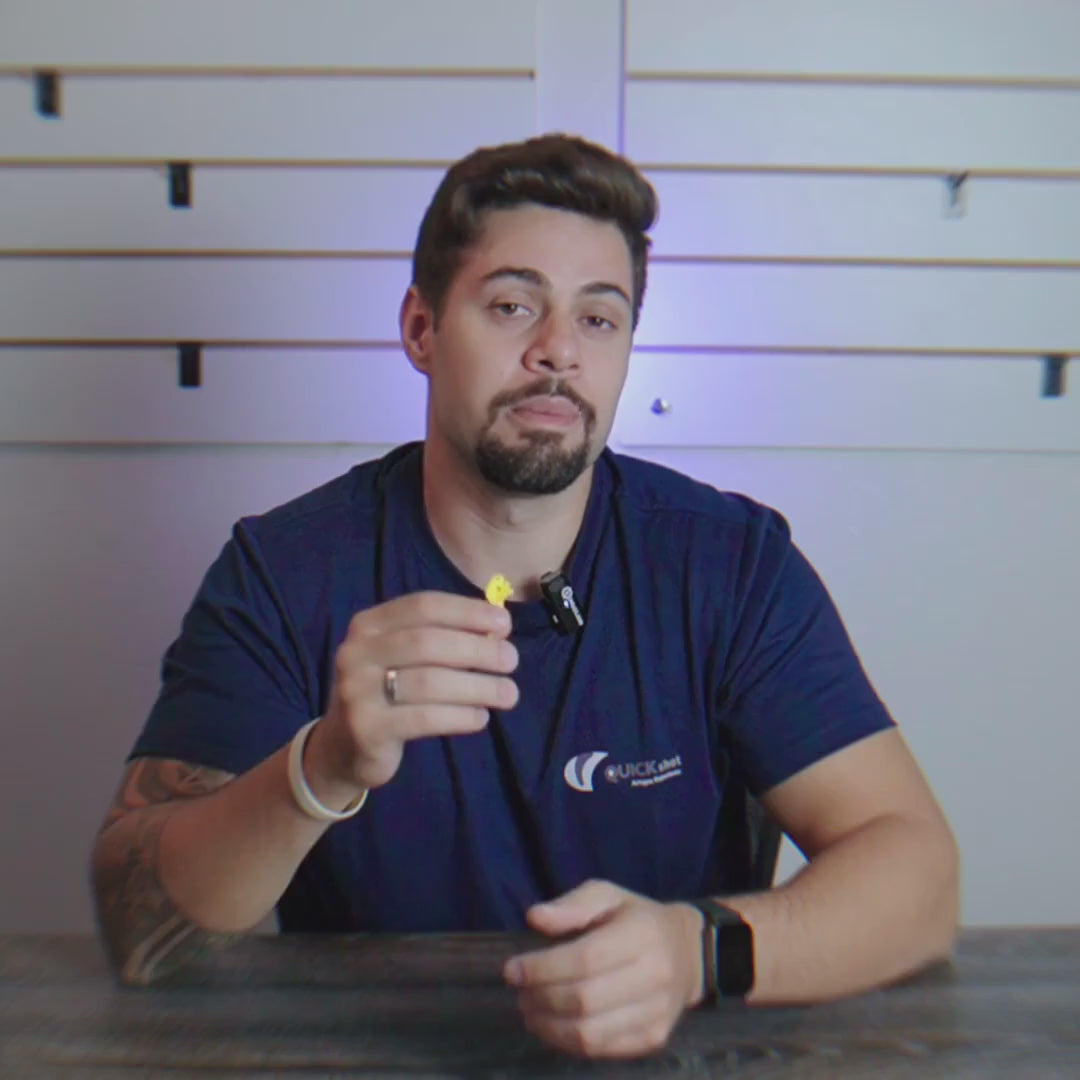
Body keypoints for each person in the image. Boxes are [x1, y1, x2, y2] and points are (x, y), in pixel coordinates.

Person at [91, 134, 959, 1060]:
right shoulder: (285, 572)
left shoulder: (730, 566)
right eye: (512, 306)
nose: (558, 352)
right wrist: (321, 769)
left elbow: (919, 877)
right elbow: (141, 929)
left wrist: (696, 953)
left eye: (599, 318)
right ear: (421, 329)